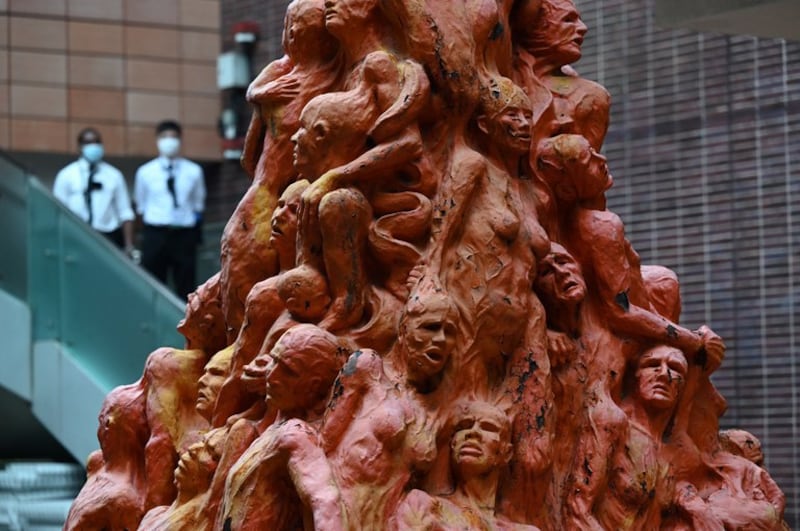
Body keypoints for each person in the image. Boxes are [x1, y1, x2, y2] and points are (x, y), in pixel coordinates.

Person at [134, 120, 206, 300]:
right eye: (165, 137)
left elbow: (198, 203)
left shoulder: (194, 171)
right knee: (152, 282)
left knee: (186, 283)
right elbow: (141, 205)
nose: (169, 141)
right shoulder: (145, 172)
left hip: (184, 233)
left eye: (173, 137)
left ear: (180, 140)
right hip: (155, 232)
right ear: (157, 140)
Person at [53, 127, 135, 253]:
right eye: (88, 143)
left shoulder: (114, 175)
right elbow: (57, 210)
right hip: (76, 235)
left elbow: (125, 212)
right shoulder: (66, 175)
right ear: (79, 147)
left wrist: (128, 246)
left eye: (97, 142)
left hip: (108, 236)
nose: (94, 146)